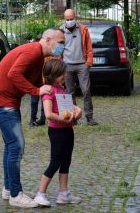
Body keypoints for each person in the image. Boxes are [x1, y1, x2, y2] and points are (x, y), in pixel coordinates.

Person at [0, 28, 65, 208]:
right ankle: (15, 194)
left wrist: (52, 87)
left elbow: (36, 81)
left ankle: (8, 189)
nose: (62, 47)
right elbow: (13, 74)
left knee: (10, 147)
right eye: (60, 43)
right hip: (2, 103)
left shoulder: (39, 57)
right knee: (16, 147)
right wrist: (36, 91)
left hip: (6, 102)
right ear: (48, 39)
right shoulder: (32, 52)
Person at [33, 59, 82, 207]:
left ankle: (63, 193)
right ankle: (40, 194)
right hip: (56, 132)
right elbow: (48, 114)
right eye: (60, 74)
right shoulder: (48, 91)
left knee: (66, 161)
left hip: (67, 130)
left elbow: (69, 106)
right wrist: (63, 119)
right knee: (55, 162)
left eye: (63, 73)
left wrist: (77, 111)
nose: (63, 76)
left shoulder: (61, 88)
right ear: (51, 75)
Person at [60, 9, 98, 125]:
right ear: (64, 19)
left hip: (82, 65)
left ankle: (89, 117)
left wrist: (88, 63)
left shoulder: (83, 29)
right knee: (70, 92)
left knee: (86, 91)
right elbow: (57, 49)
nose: (69, 21)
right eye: (67, 19)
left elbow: (89, 47)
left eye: (71, 19)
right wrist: (59, 63)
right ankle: (73, 117)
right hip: (67, 65)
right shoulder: (60, 31)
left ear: (75, 17)